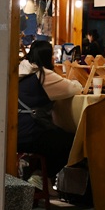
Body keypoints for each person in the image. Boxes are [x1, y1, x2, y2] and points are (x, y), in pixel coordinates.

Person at [17, 40, 82, 181]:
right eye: (52, 55)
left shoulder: (21, 70)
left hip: (14, 132)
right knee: (73, 142)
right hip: (31, 133)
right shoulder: (42, 74)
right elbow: (74, 88)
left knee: (57, 137)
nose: (53, 58)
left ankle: (35, 172)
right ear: (46, 56)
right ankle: (41, 177)